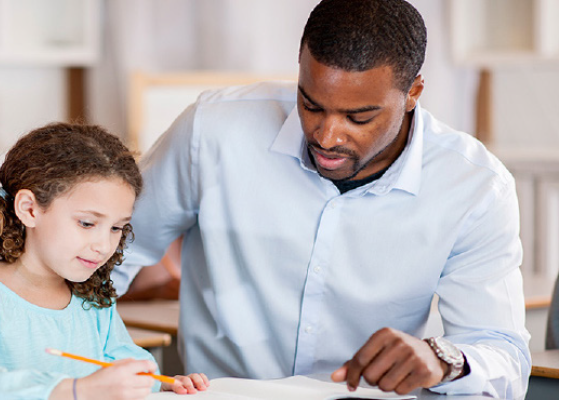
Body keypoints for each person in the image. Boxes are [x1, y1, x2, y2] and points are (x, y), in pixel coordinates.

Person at [111, 0, 531, 398]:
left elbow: (504, 354)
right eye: (311, 105)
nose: (327, 136)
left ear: (413, 92)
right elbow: (107, 255)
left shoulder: (475, 187)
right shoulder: (212, 131)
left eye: (359, 117)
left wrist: (443, 360)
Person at [0, 122, 209, 400]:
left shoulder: (91, 297)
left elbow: (124, 361)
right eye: (87, 223)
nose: (104, 246)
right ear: (29, 209)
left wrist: (161, 382)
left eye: (116, 228)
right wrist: (77, 390)